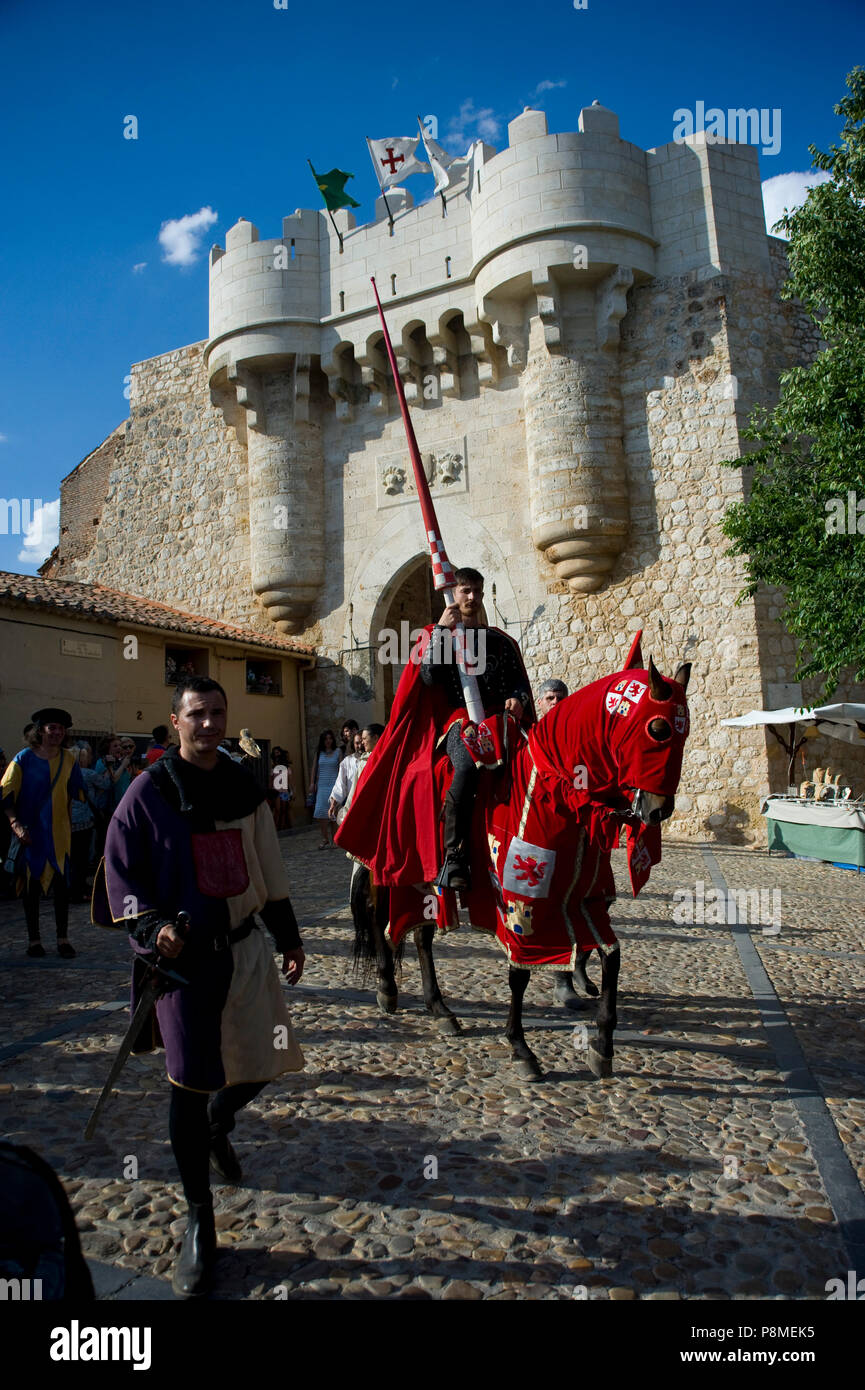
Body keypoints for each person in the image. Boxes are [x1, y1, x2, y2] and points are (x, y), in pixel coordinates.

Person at [98, 676, 305, 1298]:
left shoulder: (245, 784)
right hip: (184, 966)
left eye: (218, 713)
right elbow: (119, 869)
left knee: (265, 1064)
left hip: (245, 951)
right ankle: (198, 1219)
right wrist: (154, 923)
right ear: (176, 719)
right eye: (197, 714)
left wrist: (288, 935)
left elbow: (268, 862)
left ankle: (221, 1123)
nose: (209, 724)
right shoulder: (147, 792)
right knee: (187, 1085)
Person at [420, 568, 534, 889]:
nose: (472, 598)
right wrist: (442, 631)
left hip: (500, 719)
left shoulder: (499, 641)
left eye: (477, 592)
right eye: (465, 591)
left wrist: (518, 700)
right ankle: (454, 854)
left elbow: (518, 684)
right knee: (468, 765)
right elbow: (430, 677)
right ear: (453, 594)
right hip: (460, 721)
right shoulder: (441, 636)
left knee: (534, 762)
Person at [0, 708, 86, 958]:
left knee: (62, 890)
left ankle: (63, 939)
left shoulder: (69, 759)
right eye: (52, 728)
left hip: (59, 836)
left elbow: (73, 793)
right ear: (40, 730)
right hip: (30, 834)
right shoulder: (23, 758)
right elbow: (5, 794)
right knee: (31, 890)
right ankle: (34, 940)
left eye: (61, 728)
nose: (57, 732)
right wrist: (15, 825)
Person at [309, 730, 341, 848]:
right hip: (321, 786)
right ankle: (325, 838)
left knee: (333, 814)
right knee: (320, 813)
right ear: (323, 741)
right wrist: (312, 783)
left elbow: (340, 769)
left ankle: (334, 840)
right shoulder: (319, 753)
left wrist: (340, 785)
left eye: (330, 738)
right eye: (326, 739)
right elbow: (314, 768)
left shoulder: (338, 752)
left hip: (334, 786)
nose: (328, 741)